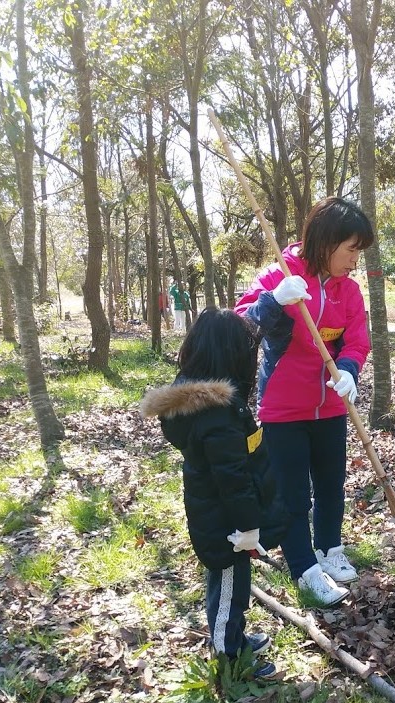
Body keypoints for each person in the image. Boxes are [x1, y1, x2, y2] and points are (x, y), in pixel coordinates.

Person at [235, 196, 374, 607]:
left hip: (331, 406)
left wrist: (348, 369)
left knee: (332, 484)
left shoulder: (349, 291)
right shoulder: (281, 272)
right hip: (283, 409)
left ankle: (330, 550)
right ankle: (304, 568)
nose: (355, 261)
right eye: (351, 249)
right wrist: (272, 301)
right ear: (327, 242)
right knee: (293, 493)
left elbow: (357, 339)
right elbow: (241, 324)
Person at [140, 307, 281, 678]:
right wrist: (248, 526)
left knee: (233, 586)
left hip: (220, 517)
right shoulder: (217, 417)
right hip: (227, 524)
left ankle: (234, 637)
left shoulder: (207, 407)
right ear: (231, 357)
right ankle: (228, 659)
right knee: (228, 590)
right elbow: (232, 479)